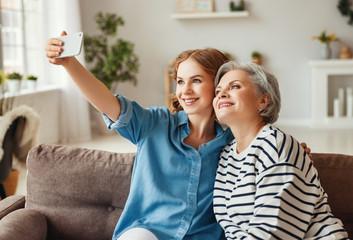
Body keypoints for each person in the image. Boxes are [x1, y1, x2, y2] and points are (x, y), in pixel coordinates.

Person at [45, 32, 312, 240]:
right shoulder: (154, 123)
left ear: (217, 87)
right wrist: (69, 63)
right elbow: (106, 101)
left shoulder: (235, 143)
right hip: (146, 233)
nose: (185, 90)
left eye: (196, 80)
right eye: (180, 81)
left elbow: (269, 156)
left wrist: (295, 152)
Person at [212, 61, 348, 239]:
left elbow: (274, 232)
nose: (222, 94)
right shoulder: (226, 155)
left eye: (235, 86)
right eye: (217, 91)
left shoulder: (276, 145)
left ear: (263, 100)